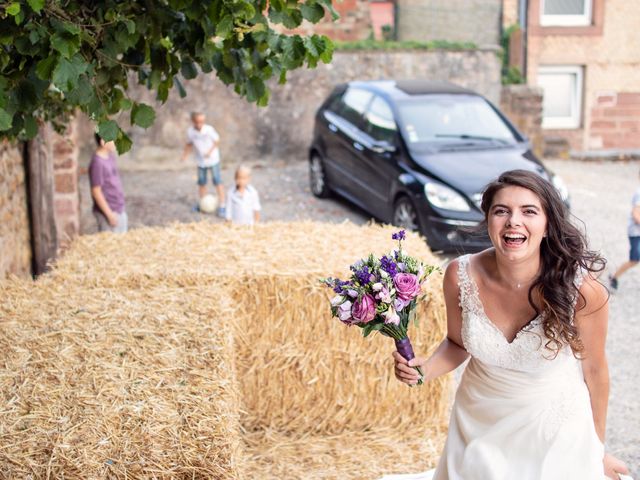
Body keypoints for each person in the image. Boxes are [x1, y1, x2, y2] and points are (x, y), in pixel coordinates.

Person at [393, 170, 629, 479]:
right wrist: (423, 371)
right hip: (478, 423)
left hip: (554, 431)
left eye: (528, 211)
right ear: (488, 221)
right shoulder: (459, 275)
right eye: (501, 211)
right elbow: (457, 343)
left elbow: (596, 373)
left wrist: (597, 450)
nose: (513, 221)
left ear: (547, 226)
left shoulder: (583, 291)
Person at [181, 112, 225, 217]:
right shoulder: (191, 132)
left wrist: (210, 152)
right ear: (193, 121)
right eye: (197, 122)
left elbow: (217, 140)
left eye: (202, 121)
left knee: (217, 180)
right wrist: (185, 155)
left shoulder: (209, 130)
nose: (199, 124)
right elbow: (189, 143)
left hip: (213, 159)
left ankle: (223, 205)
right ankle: (202, 203)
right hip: (201, 161)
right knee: (201, 182)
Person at [89, 134, 127, 233]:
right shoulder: (97, 163)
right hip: (109, 211)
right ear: (103, 142)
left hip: (118, 207)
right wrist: (109, 215)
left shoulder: (110, 156)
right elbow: (96, 192)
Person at [609, 169, 640, 290]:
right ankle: (614, 277)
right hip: (636, 233)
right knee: (634, 260)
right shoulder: (639, 193)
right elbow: (636, 214)